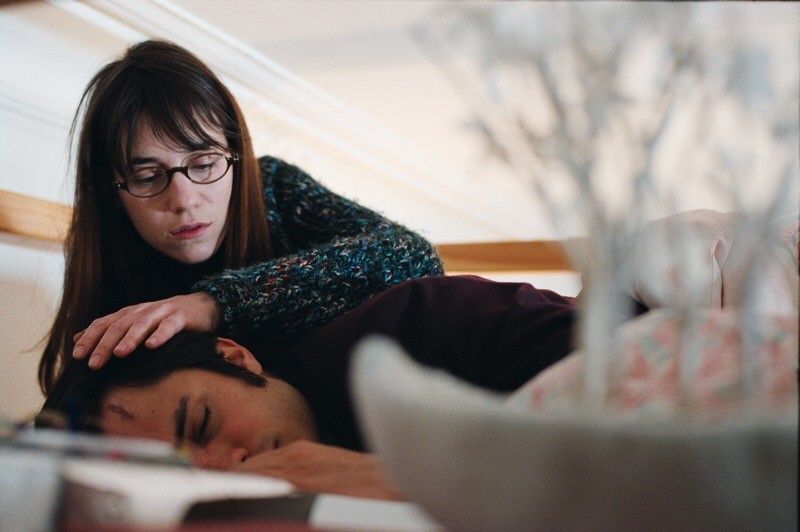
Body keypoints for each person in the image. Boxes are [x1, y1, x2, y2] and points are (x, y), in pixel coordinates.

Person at [38, 39, 443, 395]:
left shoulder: (275, 189)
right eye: (147, 177)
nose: (184, 200)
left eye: (204, 164)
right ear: (111, 190)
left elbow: (412, 256)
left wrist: (215, 303)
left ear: (235, 154)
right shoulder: (108, 266)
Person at [40, 275, 579, 497]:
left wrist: (392, 479)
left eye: (202, 424)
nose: (226, 469)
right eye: (181, 473)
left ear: (234, 357)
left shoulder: (425, 325)